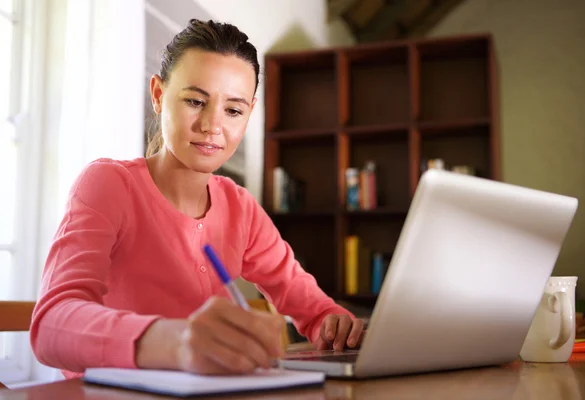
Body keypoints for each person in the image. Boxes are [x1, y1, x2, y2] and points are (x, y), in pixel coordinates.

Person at [30, 19, 363, 379]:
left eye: (233, 110)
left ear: (249, 113)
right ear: (158, 95)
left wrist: (336, 326)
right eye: (194, 101)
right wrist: (178, 342)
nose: (212, 125)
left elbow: (315, 311)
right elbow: (50, 326)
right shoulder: (109, 184)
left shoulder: (241, 208)